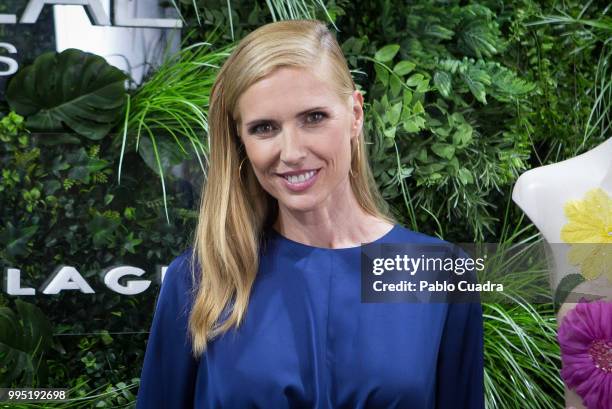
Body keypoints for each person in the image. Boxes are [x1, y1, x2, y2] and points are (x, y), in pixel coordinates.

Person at [136, 19, 484, 408]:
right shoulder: (201, 279)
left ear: (355, 114)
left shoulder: (436, 271)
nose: (292, 152)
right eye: (264, 128)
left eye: (313, 118)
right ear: (241, 142)